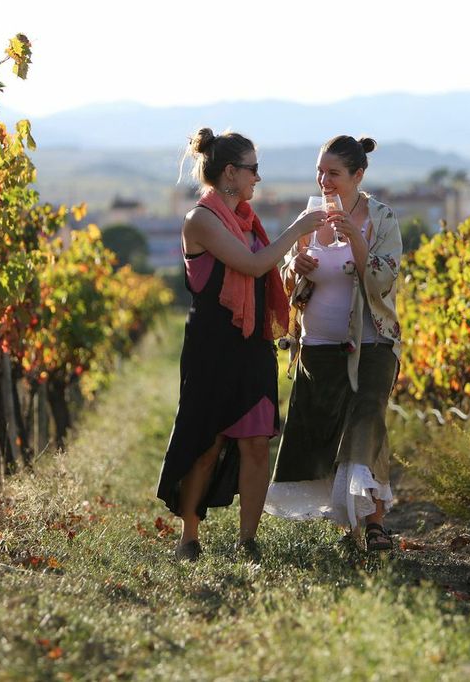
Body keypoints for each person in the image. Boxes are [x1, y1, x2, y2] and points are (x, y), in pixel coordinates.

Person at [157, 127, 324, 562]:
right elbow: (251, 265)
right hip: (212, 349)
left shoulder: (247, 220)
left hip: (252, 344)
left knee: (255, 443)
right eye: (253, 169)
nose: (258, 178)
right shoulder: (201, 220)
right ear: (229, 173)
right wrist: (296, 230)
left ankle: (247, 542)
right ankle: (189, 537)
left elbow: (266, 268)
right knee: (207, 444)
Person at [264, 135, 403, 551]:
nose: (324, 180)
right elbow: (289, 280)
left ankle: (374, 526)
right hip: (317, 349)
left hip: (373, 344)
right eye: (320, 171)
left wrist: (354, 237)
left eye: (334, 173)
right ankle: (354, 531)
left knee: (365, 423)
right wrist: (297, 265)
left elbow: (382, 277)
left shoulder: (381, 217)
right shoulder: (310, 215)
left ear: (358, 175)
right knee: (329, 437)